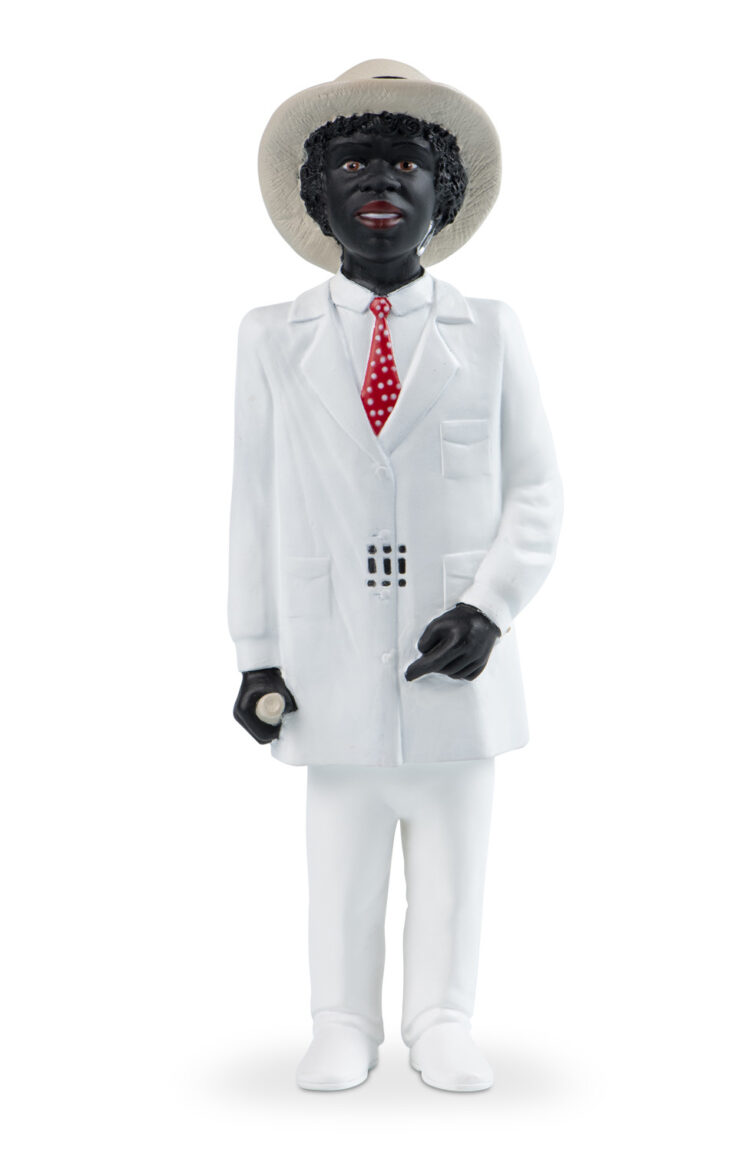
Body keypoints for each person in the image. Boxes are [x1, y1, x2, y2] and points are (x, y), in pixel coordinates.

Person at [228, 60, 563, 1092]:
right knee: (342, 858)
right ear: (318, 197)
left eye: (408, 165)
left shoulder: (490, 332)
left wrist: (489, 608)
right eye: (354, 165)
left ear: (443, 198)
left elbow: (537, 491)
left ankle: (442, 1018)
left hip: (455, 662)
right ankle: (341, 1020)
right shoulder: (271, 339)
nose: (381, 181)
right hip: (328, 656)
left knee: (455, 858)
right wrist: (256, 653)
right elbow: (252, 503)